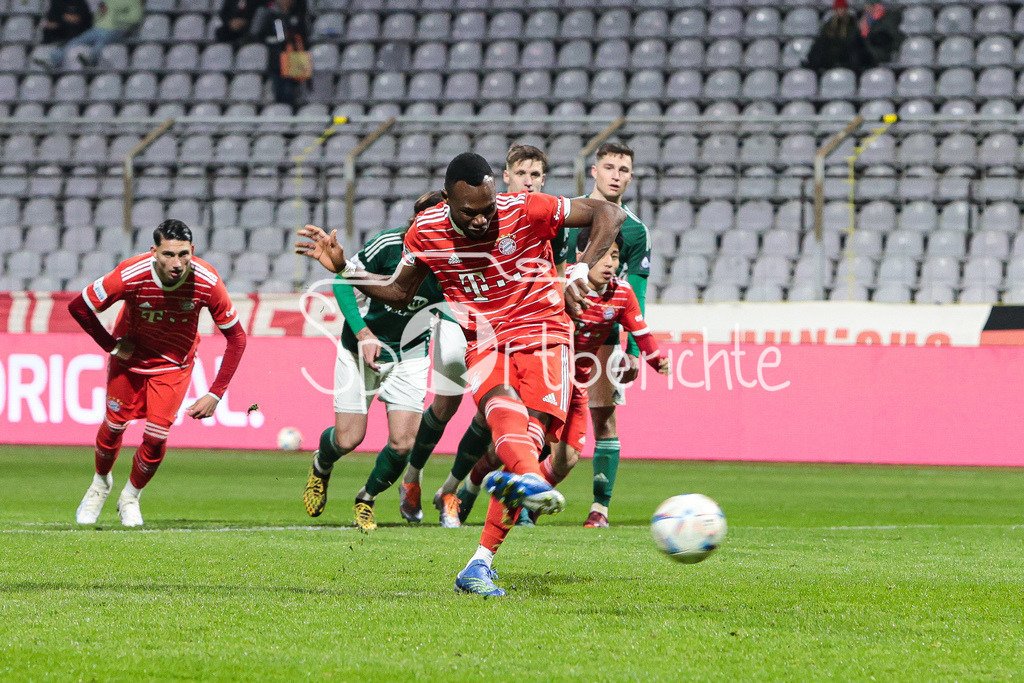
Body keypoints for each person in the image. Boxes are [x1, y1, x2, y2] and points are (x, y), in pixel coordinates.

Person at [296, 152, 626, 596]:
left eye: (487, 208)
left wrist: (582, 266)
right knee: (501, 412)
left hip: (544, 330)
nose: (481, 219)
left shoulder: (524, 209)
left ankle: (490, 541)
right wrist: (345, 270)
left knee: (530, 435)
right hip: (485, 338)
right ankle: (510, 506)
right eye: (470, 212)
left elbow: (609, 211)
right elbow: (398, 291)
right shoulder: (426, 231)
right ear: (448, 202)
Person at [405, 143, 552, 529]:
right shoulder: (437, 222)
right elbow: (406, 280)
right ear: (505, 177)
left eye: (536, 176)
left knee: (502, 422)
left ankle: (453, 492)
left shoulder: (531, 218)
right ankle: (412, 477)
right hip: (458, 323)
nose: (529, 182)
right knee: (453, 405)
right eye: (522, 175)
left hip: (515, 325)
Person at [68, 220, 247, 527]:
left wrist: (216, 392)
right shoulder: (129, 274)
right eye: (168, 255)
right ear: (153, 252)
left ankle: (130, 498)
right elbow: (79, 307)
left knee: (156, 437)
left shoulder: (207, 281)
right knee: (113, 428)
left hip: (173, 366)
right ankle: (100, 484)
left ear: (192, 251)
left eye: (183, 255)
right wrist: (111, 346)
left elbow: (238, 338)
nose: (176, 264)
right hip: (130, 362)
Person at [301, 192, 447, 532]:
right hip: (360, 347)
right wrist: (365, 334)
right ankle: (322, 464)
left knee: (403, 443)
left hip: (410, 352)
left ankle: (366, 498)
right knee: (349, 439)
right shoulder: (387, 245)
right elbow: (342, 281)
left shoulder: (449, 258)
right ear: (415, 221)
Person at [550, 141, 652, 528]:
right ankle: (521, 494)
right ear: (594, 171)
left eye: (623, 170)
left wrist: (635, 349)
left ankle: (599, 510)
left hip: (605, 335)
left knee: (605, 419)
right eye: (609, 167)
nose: (616, 175)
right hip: (558, 332)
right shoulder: (567, 215)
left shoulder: (636, 231)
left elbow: (636, 292)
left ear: (630, 175)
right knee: (546, 426)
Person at [547, 228, 669, 491]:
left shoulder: (621, 293)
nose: (609, 263)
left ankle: (521, 501)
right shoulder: (558, 283)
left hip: (577, 384)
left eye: (614, 256)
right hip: (546, 379)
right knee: (526, 444)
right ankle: (503, 503)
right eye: (601, 254)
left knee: (566, 459)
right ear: (580, 256)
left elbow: (641, 331)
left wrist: (657, 360)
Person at [37, 0, 141, 69]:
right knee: (77, 41)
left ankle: (92, 59)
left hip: (117, 29)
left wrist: (117, 20)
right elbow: (99, 15)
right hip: (98, 28)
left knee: (102, 40)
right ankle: (55, 59)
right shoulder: (108, 1)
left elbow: (136, 17)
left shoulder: (132, 1)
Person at [256, 0, 309, 108]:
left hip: (295, 58)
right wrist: (278, 40)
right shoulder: (271, 16)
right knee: (280, 92)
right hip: (277, 62)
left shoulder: (298, 15)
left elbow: (304, 34)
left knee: (294, 92)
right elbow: (261, 35)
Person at [804, 0, 870, 75]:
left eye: (842, 8)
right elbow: (824, 37)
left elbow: (853, 38)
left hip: (846, 52)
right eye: (839, 9)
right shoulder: (830, 23)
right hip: (832, 53)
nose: (841, 11)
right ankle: (812, 65)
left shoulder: (852, 22)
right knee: (820, 45)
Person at [860, 2, 904, 67]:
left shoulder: (889, 17)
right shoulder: (864, 19)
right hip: (867, 55)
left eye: (868, 5)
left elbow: (895, 38)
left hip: (882, 54)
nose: (866, 8)